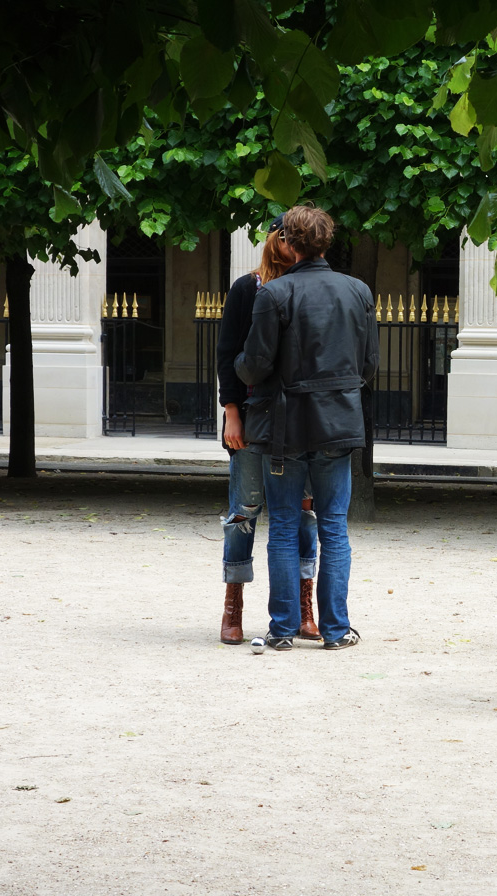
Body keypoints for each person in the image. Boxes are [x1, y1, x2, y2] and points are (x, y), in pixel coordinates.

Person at [235, 205, 378, 651]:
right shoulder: (358, 290)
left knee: (282, 525)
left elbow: (255, 366)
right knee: (334, 526)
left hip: (285, 426)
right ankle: (336, 630)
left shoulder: (274, 294)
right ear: (325, 241)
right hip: (338, 421)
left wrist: (239, 364)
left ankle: (282, 630)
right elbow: (369, 364)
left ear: (289, 242)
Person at [215, 215, 319, 645]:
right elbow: (228, 353)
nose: (287, 243)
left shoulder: (309, 287)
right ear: (273, 240)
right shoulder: (247, 288)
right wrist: (231, 411)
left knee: (305, 514)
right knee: (244, 511)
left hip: (301, 421)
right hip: (252, 415)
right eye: (283, 235)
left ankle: (304, 605)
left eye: (294, 237)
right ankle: (233, 605)